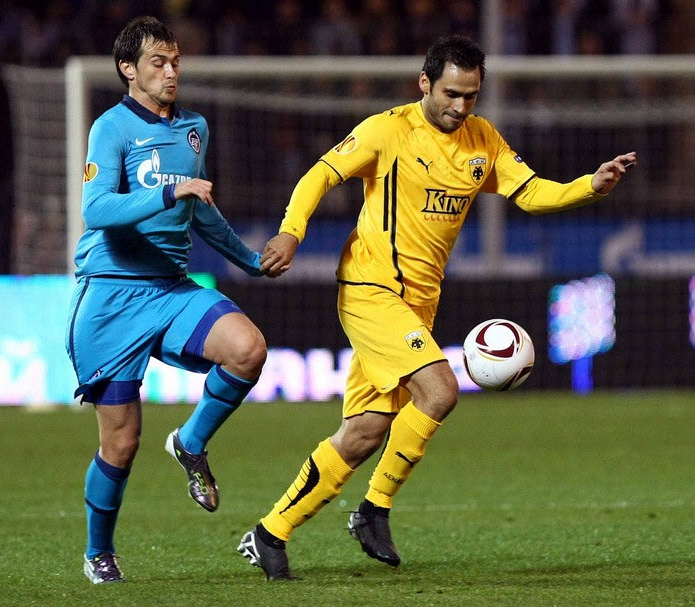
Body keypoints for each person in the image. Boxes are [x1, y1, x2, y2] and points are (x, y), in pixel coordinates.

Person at [238, 34, 637, 580]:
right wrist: (291, 232)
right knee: (441, 390)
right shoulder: (388, 130)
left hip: (419, 302)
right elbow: (321, 174)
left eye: (471, 95)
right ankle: (374, 510)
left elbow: (530, 192)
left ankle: (269, 533)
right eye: (451, 93)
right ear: (424, 83)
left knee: (364, 432)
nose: (460, 105)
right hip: (371, 288)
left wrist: (590, 185)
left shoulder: (482, 139)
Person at [65, 16, 283, 585]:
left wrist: (249, 261)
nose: (170, 72)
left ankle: (190, 442)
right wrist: (168, 189)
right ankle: (98, 553)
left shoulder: (194, 129)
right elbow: (96, 210)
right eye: (157, 62)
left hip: (169, 288)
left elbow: (200, 212)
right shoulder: (111, 128)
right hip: (111, 298)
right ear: (128, 69)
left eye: (175, 61)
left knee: (248, 349)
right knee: (121, 442)